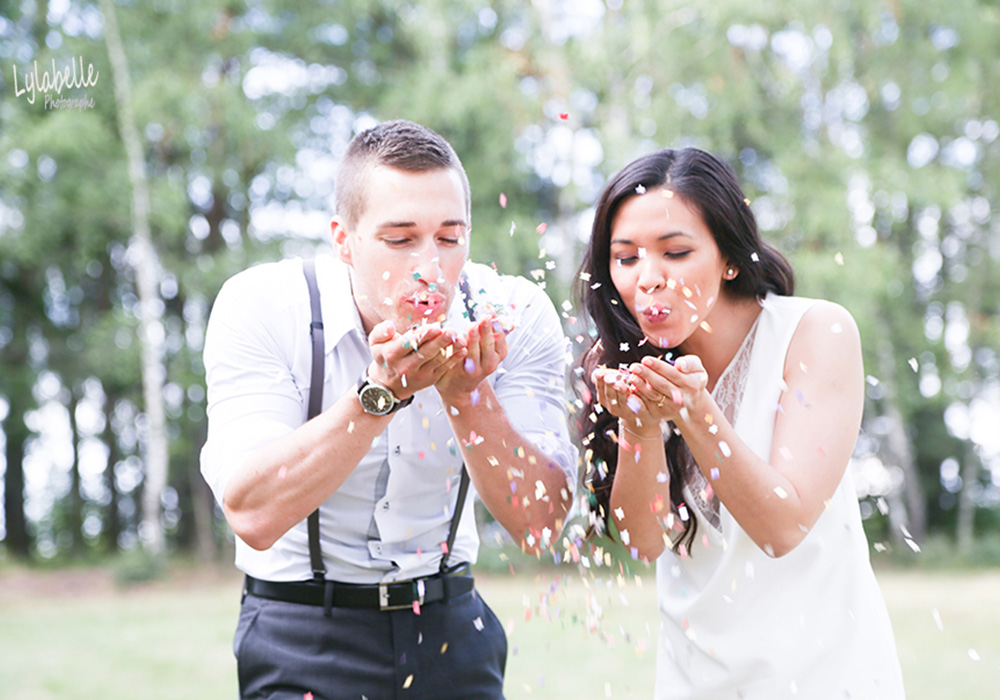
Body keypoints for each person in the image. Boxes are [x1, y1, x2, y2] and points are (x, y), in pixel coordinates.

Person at [201, 119, 577, 700]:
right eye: (400, 240)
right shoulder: (263, 306)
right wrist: (378, 396)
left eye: (450, 239)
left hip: (452, 626)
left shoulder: (516, 313)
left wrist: (468, 397)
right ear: (343, 239)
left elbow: (541, 525)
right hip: (301, 629)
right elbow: (252, 515)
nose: (430, 268)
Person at [578, 147, 905, 699]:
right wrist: (638, 428)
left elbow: (782, 527)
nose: (648, 279)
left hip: (824, 676)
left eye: (676, 252)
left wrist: (693, 411)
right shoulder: (618, 363)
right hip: (693, 679)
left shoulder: (814, 333)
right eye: (626, 258)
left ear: (729, 256)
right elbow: (643, 540)